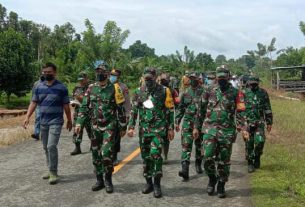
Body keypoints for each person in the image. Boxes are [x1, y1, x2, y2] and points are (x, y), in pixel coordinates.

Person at [194, 65, 248, 198]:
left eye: (224, 77)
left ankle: (221, 185)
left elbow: (241, 111)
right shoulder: (208, 90)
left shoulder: (236, 92)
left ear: (228, 77)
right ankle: (212, 178)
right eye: (220, 77)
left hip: (227, 131)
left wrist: (243, 128)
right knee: (207, 156)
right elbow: (200, 111)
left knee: (224, 160)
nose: (222, 79)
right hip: (209, 129)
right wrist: (196, 127)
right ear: (216, 78)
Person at [75, 62, 127, 193]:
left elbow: (120, 109)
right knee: (95, 154)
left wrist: (123, 126)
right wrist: (79, 123)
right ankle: (99, 180)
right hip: (94, 126)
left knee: (106, 154)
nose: (99, 74)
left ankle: (108, 179)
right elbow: (84, 107)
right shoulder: (91, 88)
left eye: (102, 71)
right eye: (97, 71)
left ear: (107, 73)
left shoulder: (115, 89)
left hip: (110, 125)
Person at [127, 67, 175, 198]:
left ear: (155, 77)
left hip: (159, 130)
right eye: (146, 78)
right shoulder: (139, 91)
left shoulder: (165, 91)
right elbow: (134, 110)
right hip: (144, 130)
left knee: (156, 155)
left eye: (150, 78)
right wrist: (131, 127)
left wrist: (171, 127)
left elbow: (170, 110)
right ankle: (149, 183)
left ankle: (157, 184)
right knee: (146, 158)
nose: (148, 80)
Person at [23, 62, 72, 185]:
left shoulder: (62, 88)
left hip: (56, 121)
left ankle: (54, 172)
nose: (46, 74)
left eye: (49, 72)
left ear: (55, 72)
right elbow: (33, 102)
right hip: (43, 122)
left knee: (51, 146)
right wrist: (27, 116)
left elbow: (66, 105)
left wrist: (69, 120)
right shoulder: (39, 87)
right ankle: (50, 169)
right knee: (45, 147)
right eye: (44, 72)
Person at [175, 72, 205, 181]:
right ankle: (185, 170)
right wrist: (177, 121)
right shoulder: (185, 93)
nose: (192, 80)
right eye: (191, 78)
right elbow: (181, 108)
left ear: (199, 79)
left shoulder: (204, 92)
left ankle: (198, 163)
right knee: (186, 146)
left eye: (195, 78)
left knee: (199, 146)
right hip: (188, 123)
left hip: (201, 124)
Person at [242, 76, 273, 173]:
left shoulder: (263, 92)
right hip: (247, 122)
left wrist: (269, 122)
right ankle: (250, 163)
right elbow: (239, 109)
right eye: (251, 83)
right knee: (249, 143)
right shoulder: (243, 93)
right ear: (248, 83)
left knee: (260, 141)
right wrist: (241, 124)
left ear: (258, 83)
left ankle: (257, 156)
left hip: (259, 122)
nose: (253, 85)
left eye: (255, 83)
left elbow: (267, 107)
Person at [109, 68, 131, 166]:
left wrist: (127, 115)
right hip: (105, 115)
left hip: (118, 115)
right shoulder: (105, 85)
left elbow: (126, 102)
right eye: (111, 74)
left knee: (116, 137)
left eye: (115, 75)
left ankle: (114, 157)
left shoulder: (123, 87)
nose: (112, 77)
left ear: (119, 76)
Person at [70, 72, 93, 155]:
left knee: (91, 129)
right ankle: (77, 147)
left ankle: (93, 145)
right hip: (78, 111)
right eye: (80, 80)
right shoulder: (76, 88)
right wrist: (74, 102)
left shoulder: (91, 87)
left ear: (86, 78)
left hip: (89, 112)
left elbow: (90, 100)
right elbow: (74, 97)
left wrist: (81, 99)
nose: (81, 82)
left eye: (82, 80)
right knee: (77, 130)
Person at [159, 73, 179, 162]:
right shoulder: (156, 89)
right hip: (157, 117)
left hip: (167, 117)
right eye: (162, 80)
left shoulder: (172, 90)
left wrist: (176, 119)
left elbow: (177, 102)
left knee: (166, 138)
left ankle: (165, 155)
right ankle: (158, 155)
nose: (163, 82)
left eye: (165, 80)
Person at [31, 74, 45, 140]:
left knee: (45, 119)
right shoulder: (36, 83)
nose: (43, 75)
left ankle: (44, 134)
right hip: (38, 104)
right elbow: (33, 94)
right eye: (42, 74)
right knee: (37, 118)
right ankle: (36, 133)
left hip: (46, 104)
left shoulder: (48, 83)